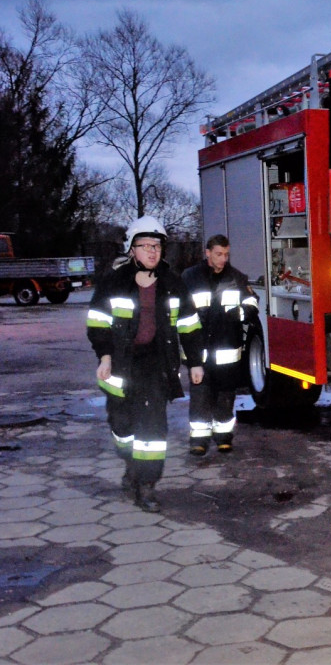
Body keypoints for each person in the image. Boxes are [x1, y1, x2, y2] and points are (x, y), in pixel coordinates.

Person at [87, 216, 204, 512]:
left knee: (152, 430)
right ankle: (131, 464)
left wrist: (195, 362)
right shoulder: (113, 283)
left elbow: (190, 325)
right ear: (132, 249)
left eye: (157, 245)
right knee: (122, 426)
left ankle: (147, 486)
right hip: (121, 366)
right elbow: (97, 323)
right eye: (145, 245)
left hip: (156, 364)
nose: (153, 251)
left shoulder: (172, 283)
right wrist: (105, 355)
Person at [181, 234, 258, 456]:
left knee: (225, 396)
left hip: (227, 350)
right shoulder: (190, 277)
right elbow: (179, 311)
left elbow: (252, 303)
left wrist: (241, 313)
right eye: (218, 254)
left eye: (226, 254)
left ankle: (224, 437)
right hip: (199, 350)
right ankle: (199, 440)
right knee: (200, 395)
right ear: (207, 253)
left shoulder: (237, 278)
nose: (223, 259)